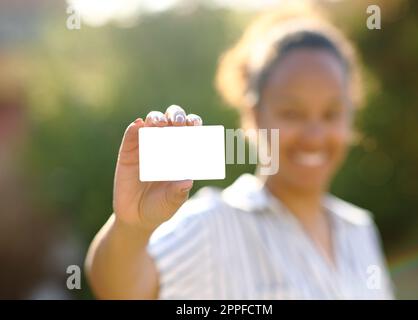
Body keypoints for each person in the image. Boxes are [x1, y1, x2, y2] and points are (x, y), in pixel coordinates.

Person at [85, 7, 394, 299]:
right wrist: (131, 227)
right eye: (291, 113)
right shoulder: (214, 226)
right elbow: (121, 290)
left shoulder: (360, 230)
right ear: (254, 116)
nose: (314, 136)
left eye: (331, 114)